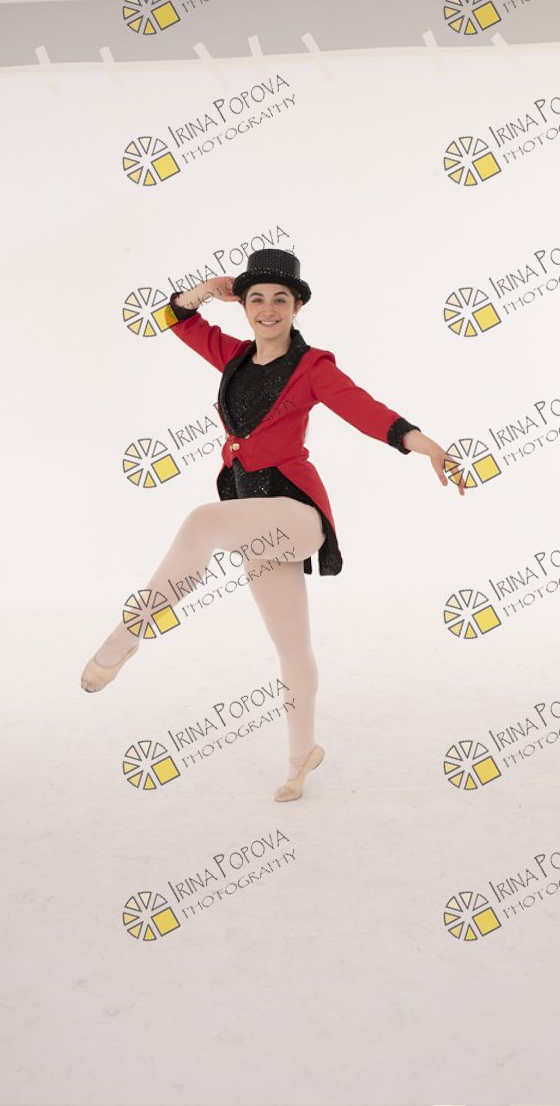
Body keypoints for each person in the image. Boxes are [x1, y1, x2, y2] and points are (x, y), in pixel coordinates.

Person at [80, 249, 466, 801]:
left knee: (201, 522)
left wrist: (423, 443)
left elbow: (364, 409)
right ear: (243, 306)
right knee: (291, 645)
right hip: (252, 518)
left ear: (297, 306)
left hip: (296, 512)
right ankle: (301, 757)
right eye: (256, 299)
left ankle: (127, 635)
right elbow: (176, 319)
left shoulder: (313, 368)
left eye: (280, 300)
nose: (267, 309)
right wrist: (207, 289)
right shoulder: (234, 357)